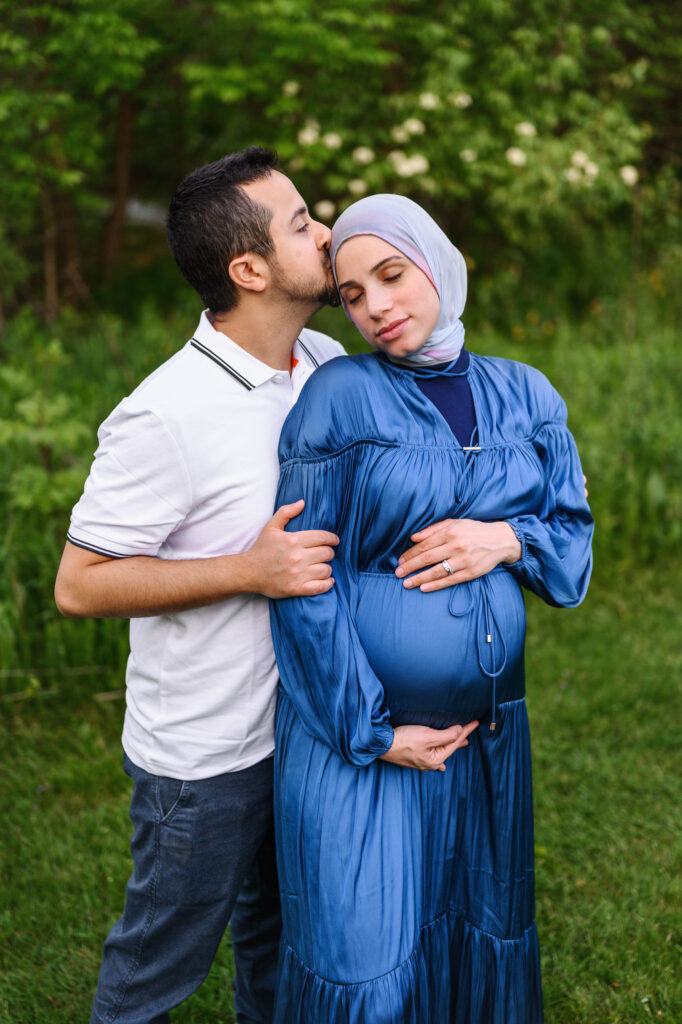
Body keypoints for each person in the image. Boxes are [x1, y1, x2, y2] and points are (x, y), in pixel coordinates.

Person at [54, 153, 472, 1024]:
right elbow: (81, 586)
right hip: (206, 758)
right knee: (157, 965)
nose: (327, 234)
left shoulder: (323, 360)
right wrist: (251, 569)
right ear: (248, 270)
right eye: (300, 224)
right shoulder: (166, 413)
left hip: (311, 731)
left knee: (285, 951)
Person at [269, 194, 594, 1023]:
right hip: (362, 743)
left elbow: (571, 555)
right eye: (351, 293)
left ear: (439, 265)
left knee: (472, 936)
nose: (376, 306)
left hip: (485, 739)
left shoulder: (527, 395)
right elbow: (304, 581)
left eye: (392, 275)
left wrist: (506, 541)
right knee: (366, 962)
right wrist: (373, 733)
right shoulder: (339, 397)